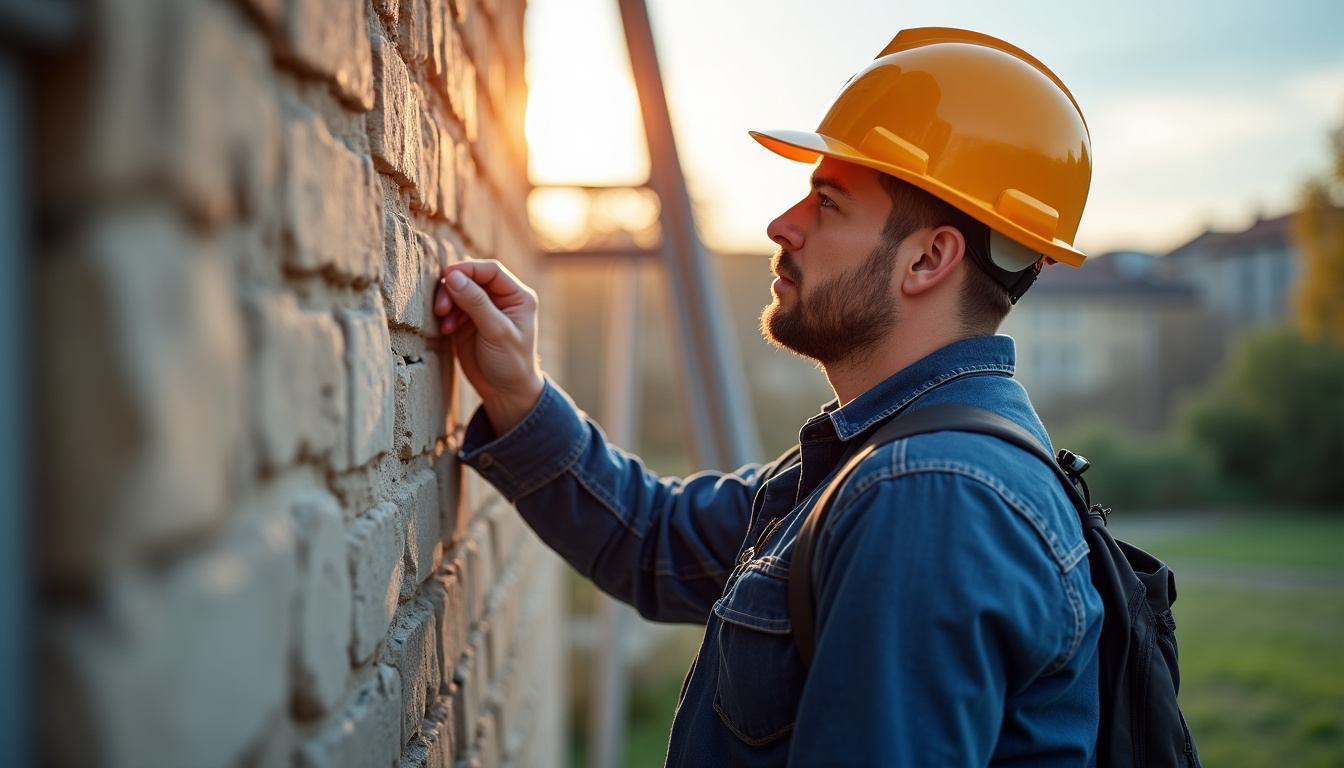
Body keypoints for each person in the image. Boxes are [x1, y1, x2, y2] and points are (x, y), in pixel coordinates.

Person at [434, 28, 1104, 767]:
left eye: (828, 202)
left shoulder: (929, 494)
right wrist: (516, 389)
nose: (782, 225)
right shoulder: (880, 461)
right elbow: (655, 539)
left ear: (926, 258)